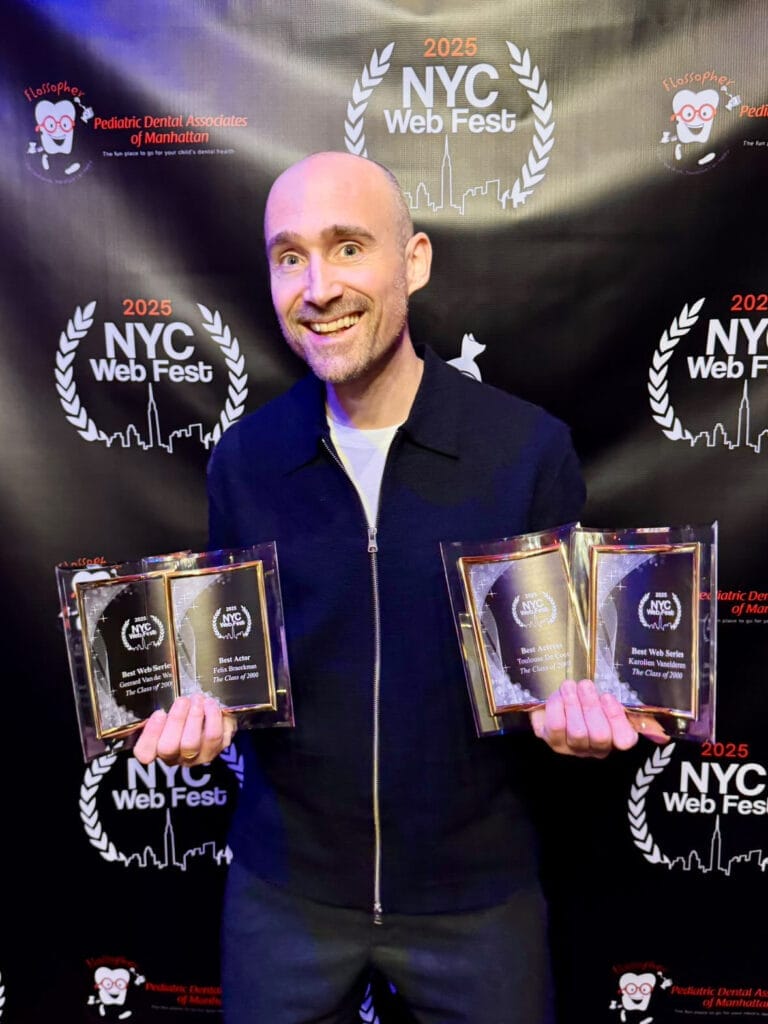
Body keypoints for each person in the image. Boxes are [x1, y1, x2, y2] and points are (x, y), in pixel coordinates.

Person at [135, 151, 656, 1024]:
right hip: (286, 895)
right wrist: (203, 714)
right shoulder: (245, 461)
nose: (318, 286)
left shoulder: (526, 451)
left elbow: (564, 677)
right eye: (289, 256)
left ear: (412, 261)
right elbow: (228, 668)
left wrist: (581, 722)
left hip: (477, 900)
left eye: (348, 248)